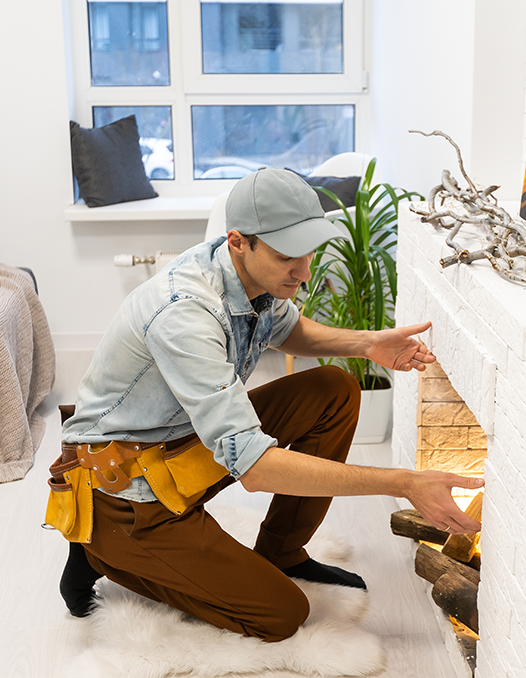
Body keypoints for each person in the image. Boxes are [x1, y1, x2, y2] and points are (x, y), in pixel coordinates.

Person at [50, 167, 483, 642]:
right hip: (124, 490)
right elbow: (254, 468)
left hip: (179, 446)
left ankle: (283, 551)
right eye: (285, 259)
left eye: (307, 254)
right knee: (280, 615)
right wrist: (403, 482)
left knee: (330, 391)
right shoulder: (184, 312)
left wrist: (368, 343)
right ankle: (97, 550)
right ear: (239, 242)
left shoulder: (247, 276)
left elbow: (288, 330)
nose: (303, 272)